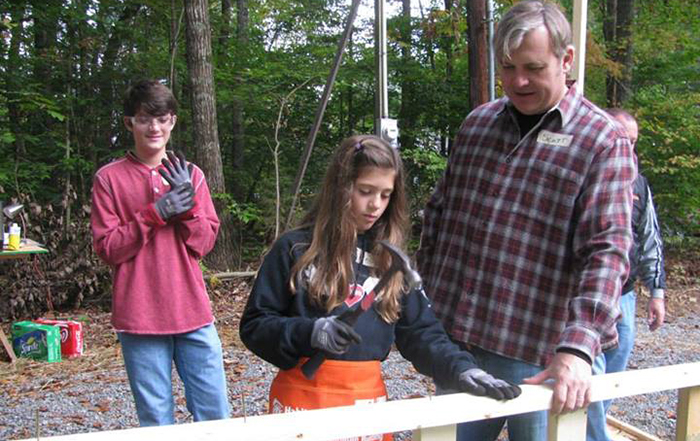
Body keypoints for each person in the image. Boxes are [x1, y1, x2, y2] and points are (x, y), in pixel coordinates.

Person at [416, 1, 637, 440]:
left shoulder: (602, 139)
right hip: (460, 347)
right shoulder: (477, 125)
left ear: (566, 59)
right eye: (508, 67)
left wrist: (578, 348)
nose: (518, 81)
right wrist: (421, 314)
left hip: (541, 355)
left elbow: (607, 252)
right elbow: (440, 218)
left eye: (533, 68)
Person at [239, 135, 521, 440]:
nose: (375, 205)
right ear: (340, 188)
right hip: (302, 401)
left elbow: (422, 334)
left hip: (366, 406)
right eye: (365, 191)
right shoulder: (295, 249)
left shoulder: (388, 260)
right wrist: (310, 333)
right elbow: (255, 325)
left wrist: (462, 369)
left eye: (386, 195)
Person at [90, 80, 230, 426]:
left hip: (192, 312)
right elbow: (108, 249)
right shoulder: (108, 179)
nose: (154, 127)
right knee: (155, 419)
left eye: (162, 118)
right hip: (140, 316)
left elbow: (203, 244)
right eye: (144, 119)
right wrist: (156, 212)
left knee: (215, 413)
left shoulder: (192, 175)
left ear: (173, 121)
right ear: (129, 123)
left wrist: (187, 208)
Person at [586, 109, 667, 441]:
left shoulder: (639, 184)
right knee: (590, 368)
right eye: (621, 140)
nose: (626, 150)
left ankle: (592, 427)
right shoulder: (587, 172)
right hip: (588, 292)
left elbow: (650, 237)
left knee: (615, 366)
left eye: (632, 143)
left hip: (626, 293)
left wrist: (657, 292)